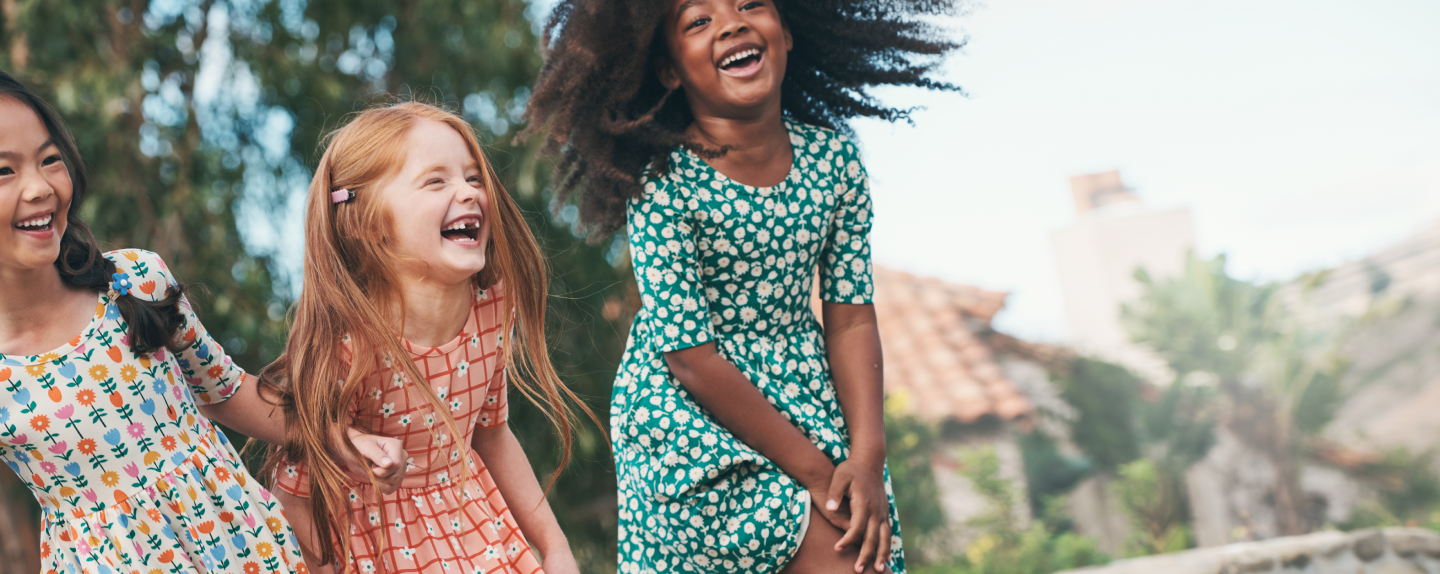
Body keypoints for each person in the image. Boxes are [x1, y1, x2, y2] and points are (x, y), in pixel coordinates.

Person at [521, 0, 964, 572]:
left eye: (750, 4)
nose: (731, 23)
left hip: (805, 400)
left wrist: (867, 457)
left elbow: (851, 315)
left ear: (786, 30)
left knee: (864, 552)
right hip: (691, 421)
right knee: (839, 550)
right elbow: (690, 357)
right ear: (669, 70)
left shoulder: (835, 164)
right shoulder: (665, 186)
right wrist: (816, 474)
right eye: (698, 21)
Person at [0, 71, 406, 574]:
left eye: (49, 159)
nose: (40, 188)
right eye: (4, 171)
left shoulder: (135, 281)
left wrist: (346, 441)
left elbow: (229, 392)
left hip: (244, 549)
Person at [258, 102, 597, 574]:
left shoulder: (492, 308)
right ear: (368, 223)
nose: (469, 193)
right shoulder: (351, 346)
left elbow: (492, 434)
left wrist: (555, 547)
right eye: (436, 181)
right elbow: (296, 497)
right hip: (372, 554)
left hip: (473, 533)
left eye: (474, 178)